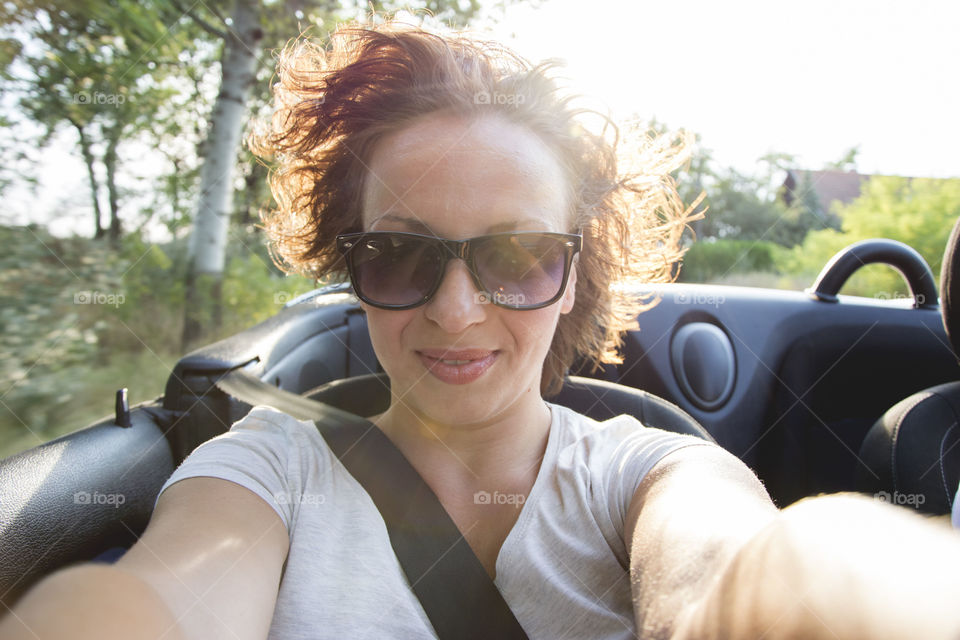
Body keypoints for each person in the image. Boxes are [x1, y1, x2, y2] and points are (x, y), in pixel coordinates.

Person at [3, 19, 960, 640]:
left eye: (515, 256)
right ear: (352, 266)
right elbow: (168, 599)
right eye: (401, 254)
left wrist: (853, 595)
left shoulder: (651, 471)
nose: (455, 309)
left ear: (573, 272)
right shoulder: (270, 467)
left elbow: (741, 577)